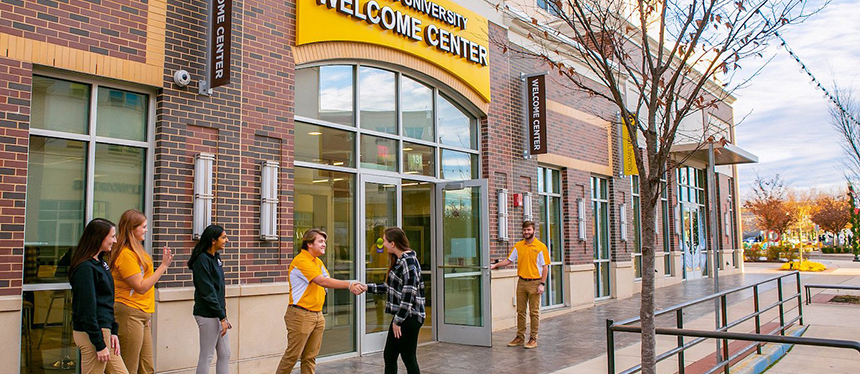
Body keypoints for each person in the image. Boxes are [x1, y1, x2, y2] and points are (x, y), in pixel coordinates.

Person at [275, 229, 365, 374]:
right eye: (320, 241)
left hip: (317, 315)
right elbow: (322, 281)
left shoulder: (317, 262)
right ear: (309, 244)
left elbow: (326, 281)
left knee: (310, 357)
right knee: (292, 356)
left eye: (324, 242)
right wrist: (349, 285)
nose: (324, 245)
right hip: (300, 315)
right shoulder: (301, 261)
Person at [109, 209, 174, 374]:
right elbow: (141, 286)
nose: (146, 229)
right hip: (129, 312)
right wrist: (163, 266)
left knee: (146, 367)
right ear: (132, 228)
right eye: (143, 226)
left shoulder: (137, 251)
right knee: (129, 366)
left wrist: (148, 313)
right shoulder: (125, 254)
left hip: (142, 313)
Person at [68, 218, 129, 374]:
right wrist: (99, 344)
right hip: (93, 334)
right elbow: (86, 309)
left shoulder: (101, 263)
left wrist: (113, 331)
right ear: (99, 237)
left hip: (104, 331)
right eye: (112, 236)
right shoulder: (85, 268)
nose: (115, 241)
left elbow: (106, 302)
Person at [365, 227, 425, 374]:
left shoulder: (409, 262)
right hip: (403, 316)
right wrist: (366, 287)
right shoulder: (400, 261)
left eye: (385, 241)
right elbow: (390, 287)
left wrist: (397, 321)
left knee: (408, 358)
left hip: (408, 317)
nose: (383, 244)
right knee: (390, 356)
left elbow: (408, 293)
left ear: (393, 244)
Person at [489, 220, 549, 349]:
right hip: (521, 282)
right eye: (524, 230)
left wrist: (542, 284)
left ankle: (533, 338)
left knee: (534, 313)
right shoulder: (518, 246)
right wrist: (495, 265)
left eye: (529, 230)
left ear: (534, 231)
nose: (526, 232)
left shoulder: (541, 247)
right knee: (520, 312)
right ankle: (520, 337)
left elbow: (545, 267)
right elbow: (508, 260)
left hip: (535, 283)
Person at [188, 225, 231, 374]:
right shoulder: (202, 260)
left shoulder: (216, 258)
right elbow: (208, 292)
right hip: (206, 314)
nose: (227, 240)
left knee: (225, 353)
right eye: (223, 237)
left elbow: (219, 290)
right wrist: (221, 316)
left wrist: (223, 315)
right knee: (207, 355)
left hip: (218, 313)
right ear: (213, 240)